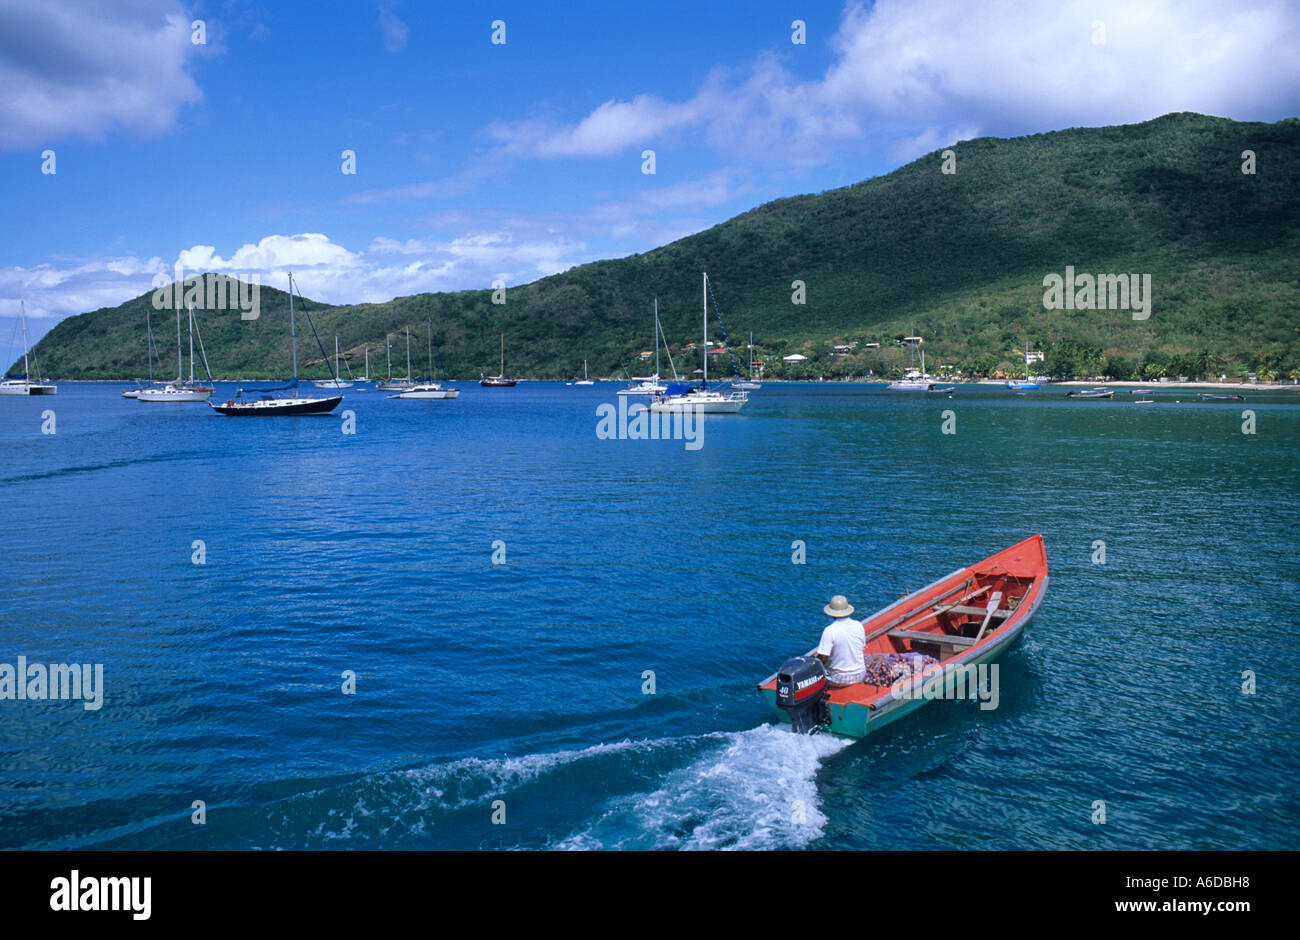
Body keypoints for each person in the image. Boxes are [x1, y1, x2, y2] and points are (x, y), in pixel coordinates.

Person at [815, 595, 866, 687]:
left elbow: (823, 658)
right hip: (860, 674)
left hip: (839, 678)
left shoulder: (830, 630)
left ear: (831, 613)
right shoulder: (859, 625)